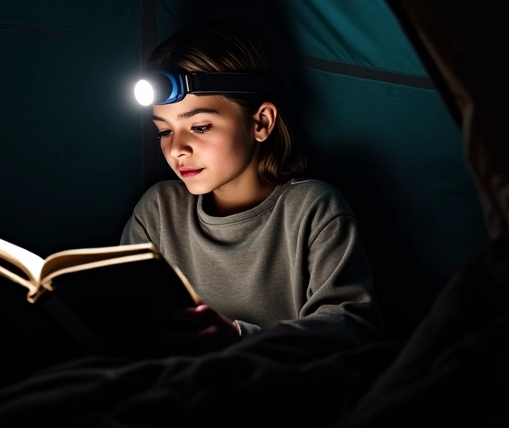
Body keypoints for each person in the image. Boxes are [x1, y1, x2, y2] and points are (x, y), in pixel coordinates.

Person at [121, 22, 382, 354]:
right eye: (163, 131)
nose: (176, 149)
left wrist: (238, 338)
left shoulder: (313, 209)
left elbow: (353, 327)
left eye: (199, 126)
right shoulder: (157, 211)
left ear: (261, 122)